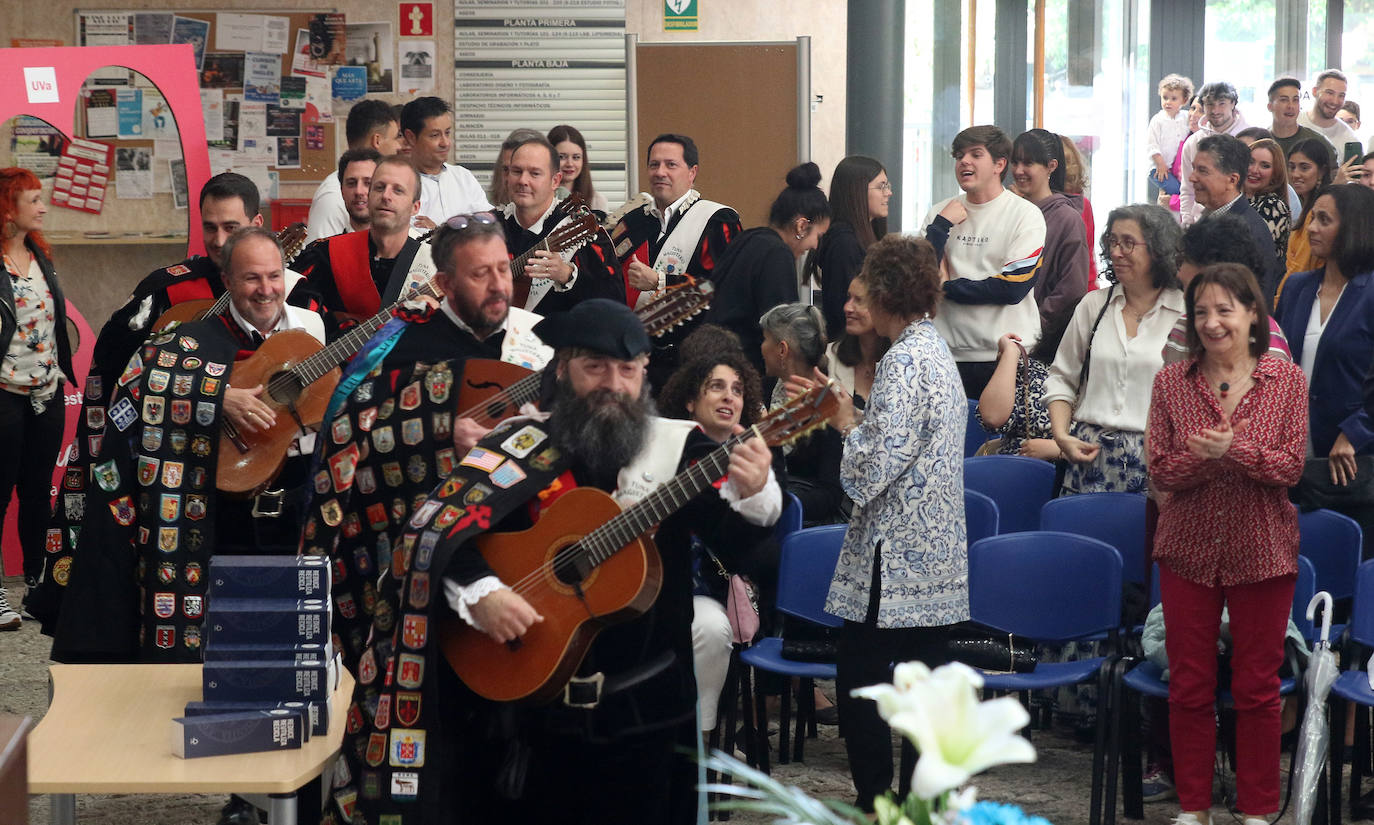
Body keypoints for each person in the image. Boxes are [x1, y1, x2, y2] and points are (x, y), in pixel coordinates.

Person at [317, 297, 779, 825]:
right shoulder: (514, 447)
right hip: (529, 723)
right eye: (595, 368)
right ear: (562, 369)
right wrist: (480, 593)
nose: (613, 383)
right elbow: (433, 538)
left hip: (644, 724)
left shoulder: (681, 450)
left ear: (645, 371)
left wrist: (756, 491)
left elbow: (744, 551)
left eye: (627, 370)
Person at [52, 227, 327, 663]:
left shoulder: (310, 331)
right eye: (252, 278)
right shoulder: (190, 338)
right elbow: (135, 384)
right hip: (214, 520)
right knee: (217, 649)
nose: (266, 289)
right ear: (229, 281)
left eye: (274, 276)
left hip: (290, 509)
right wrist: (216, 395)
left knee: (281, 645)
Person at [799, 234, 966, 813]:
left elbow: (871, 471)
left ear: (890, 292)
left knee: (860, 678)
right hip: (935, 546)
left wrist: (846, 420)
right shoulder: (935, 350)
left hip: (895, 553)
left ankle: (876, 803)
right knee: (925, 682)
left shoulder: (901, 361)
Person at [1147, 262, 1307, 825]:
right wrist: (1204, 458)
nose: (1212, 323)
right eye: (1201, 312)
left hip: (1262, 551)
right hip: (1188, 549)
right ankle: (1194, 806)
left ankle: (1257, 808)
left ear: (1253, 315)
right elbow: (1161, 468)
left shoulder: (1285, 380)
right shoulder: (1172, 381)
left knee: (1257, 688)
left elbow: (1289, 468)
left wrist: (1231, 452)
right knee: (1189, 684)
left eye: (1224, 310)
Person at [658, 351, 775, 738]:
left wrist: (752, 490)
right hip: (639, 577)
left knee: (708, 628)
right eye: (717, 387)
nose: (729, 397)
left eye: (737, 390)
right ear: (691, 400)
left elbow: (755, 551)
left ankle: (699, 737)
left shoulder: (755, 461)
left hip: (704, 587)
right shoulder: (662, 444)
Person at [1044, 204, 1184, 494]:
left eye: (1128, 243)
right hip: (1088, 454)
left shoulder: (1184, 312)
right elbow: (1062, 377)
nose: (1117, 252)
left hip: (1157, 458)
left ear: (1158, 249)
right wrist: (1061, 436)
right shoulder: (1094, 306)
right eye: (1113, 241)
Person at [0, 169, 74, 629]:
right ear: (8, 207)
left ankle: (36, 585)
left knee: (37, 494)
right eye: (33, 199)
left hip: (46, 394)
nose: (43, 207)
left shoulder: (39, 256)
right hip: (4, 394)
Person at [924, 125, 1047, 398]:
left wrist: (946, 288)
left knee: (1003, 441)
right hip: (946, 354)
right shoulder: (940, 214)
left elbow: (1012, 287)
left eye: (975, 154)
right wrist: (940, 226)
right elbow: (920, 282)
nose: (964, 161)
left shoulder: (1025, 214)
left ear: (999, 164)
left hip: (1007, 356)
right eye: (959, 156)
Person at [610, 133, 741, 389]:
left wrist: (661, 281)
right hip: (634, 360)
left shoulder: (717, 221)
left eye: (671, 165)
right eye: (654, 164)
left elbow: (719, 290)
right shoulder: (632, 222)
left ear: (692, 172)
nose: (660, 172)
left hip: (689, 363)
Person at [1275, 184, 1374, 492]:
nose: (1312, 228)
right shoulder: (1297, 287)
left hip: (1350, 452)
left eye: (1324, 220)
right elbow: (1272, 360)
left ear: (1353, 228)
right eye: (1312, 218)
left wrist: (1355, 432)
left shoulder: (1369, 293)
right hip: (1288, 444)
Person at [703, 162, 830, 378]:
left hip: (714, 364)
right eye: (817, 236)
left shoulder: (747, 238)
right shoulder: (777, 255)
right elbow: (783, 331)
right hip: (747, 373)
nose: (815, 246)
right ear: (801, 226)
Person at [293, 156, 437, 335]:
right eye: (379, 187)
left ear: (415, 207)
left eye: (398, 190)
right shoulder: (326, 255)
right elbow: (292, 319)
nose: (386, 195)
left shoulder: (435, 264)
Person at [497, 134, 623, 315]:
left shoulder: (584, 230)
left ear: (555, 181)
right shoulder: (491, 226)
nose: (523, 180)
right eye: (516, 171)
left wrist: (568, 276)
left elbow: (615, 303)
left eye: (535, 173)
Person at [759, 303, 847, 525]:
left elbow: (831, 494)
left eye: (765, 339)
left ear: (782, 349)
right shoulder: (762, 389)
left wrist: (779, 502)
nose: (761, 347)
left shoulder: (830, 404)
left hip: (799, 526)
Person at [1164, 214, 1293, 365]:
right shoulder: (1182, 328)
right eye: (1183, 286)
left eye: (1194, 289)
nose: (1186, 297)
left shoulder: (1267, 350)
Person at [1188, 134, 1282, 304]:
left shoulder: (1248, 232)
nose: (1192, 177)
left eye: (1202, 171)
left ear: (1232, 180)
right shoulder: (1210, 218)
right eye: (1193, 168)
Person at [1011, 129, 1092, 325]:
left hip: (1037, 341)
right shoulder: (1009, 210)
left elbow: (1070, 290)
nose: (1019, 170)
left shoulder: (1067, 218)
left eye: (1028, 163)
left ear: (1051, 166)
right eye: (1015, 162)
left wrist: (1034, 327)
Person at [977, 307, 1074, 459]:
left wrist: (1060, 450)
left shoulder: (1110, 381)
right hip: (1016, 470)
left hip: (1077, 475)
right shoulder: (1032, 369)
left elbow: (1116, 445)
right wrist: (1010, 353)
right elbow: (992, 418)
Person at [305, 99, 402, 242]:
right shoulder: (333, 196)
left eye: (368, 183)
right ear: (377, 141)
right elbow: (319, 257)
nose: (398, 147)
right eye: (396, 138)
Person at [816, 155, 890, 338]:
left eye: (887, 186)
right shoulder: (844, 242)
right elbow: (841, 311)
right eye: (881, 187)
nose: (889, 193)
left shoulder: (867, 235)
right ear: (856, 191)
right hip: (850, 351)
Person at [400, 96, 491, 231]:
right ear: (411, 137)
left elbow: (489, 226)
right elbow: (411, 236)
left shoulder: (463, 177)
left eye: (447, 133)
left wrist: (438, 231)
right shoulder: (399, 182)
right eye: (435, 135)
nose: (445, 143)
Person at [1179, 81, 1251, 226]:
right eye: (1210, 104)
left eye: (1222, 103)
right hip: (1201, 223)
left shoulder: (1249, 139)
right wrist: (1187, 222)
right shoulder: (1193, 143)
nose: (1215, 110)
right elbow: (1187, 189)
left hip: (1241, 221)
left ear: (1233, 104)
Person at [826, 277, 890, 408]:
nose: (847, 308)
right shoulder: (827, 358)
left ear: (883, 307)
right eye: (848, 298)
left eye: (859, 300)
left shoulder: (902, 362)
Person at [1283, 138, 1335, 284]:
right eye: (1292, 167)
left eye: (1304, 168)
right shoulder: (1306, 207)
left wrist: (1279, 302)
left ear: (1322, 171)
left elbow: (1300, 267)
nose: (1295, 174)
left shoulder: (1317, 214)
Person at [1243, 138, 1291, 275]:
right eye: (1251, 162)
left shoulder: (1274, 206)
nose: (1254, 170)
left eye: (1265, 166)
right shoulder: (1238, 200)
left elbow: (1253, 255)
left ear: (1275, 173)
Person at [1147, 73, 1194, 203]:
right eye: (1165, 98)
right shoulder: (1158, 120)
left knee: (1186, 189)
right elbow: (1152, 145)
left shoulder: (1185, 117)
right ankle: (1173, 204)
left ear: (1184, 101)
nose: (1168, 102)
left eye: (1173, 98)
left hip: (1179, 169)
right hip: (1160, 169)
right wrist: (1160, 164)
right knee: (1179, 191)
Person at [547, 124, 610, 215]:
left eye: (576, 157)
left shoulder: (597, 200)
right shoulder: (536, 197)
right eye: (561, 157)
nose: (570, 164)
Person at [1299, 69, 1362, 152]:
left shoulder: (1350, 139)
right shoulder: (1294, 123)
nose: (1335, 101)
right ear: (1315, 91)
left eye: (1341, 95)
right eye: (1329, 93)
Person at [1265, 77, 1324, 161]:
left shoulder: (1317, 142)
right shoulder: (1261, 140)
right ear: (1270, 106)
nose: (1291, 106)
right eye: (1284, 100)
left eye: (1295, 100)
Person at [487, 128, 544, 209]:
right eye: (506, 170)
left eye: (533, 173)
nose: (511, 178)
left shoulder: (562, 201)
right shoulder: (483, 203)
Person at [333, 148, 380, 235]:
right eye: (351, 183)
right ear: (342, 190)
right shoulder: (324, 248)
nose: (359, 191)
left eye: (368, 183)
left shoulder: (409, 248)